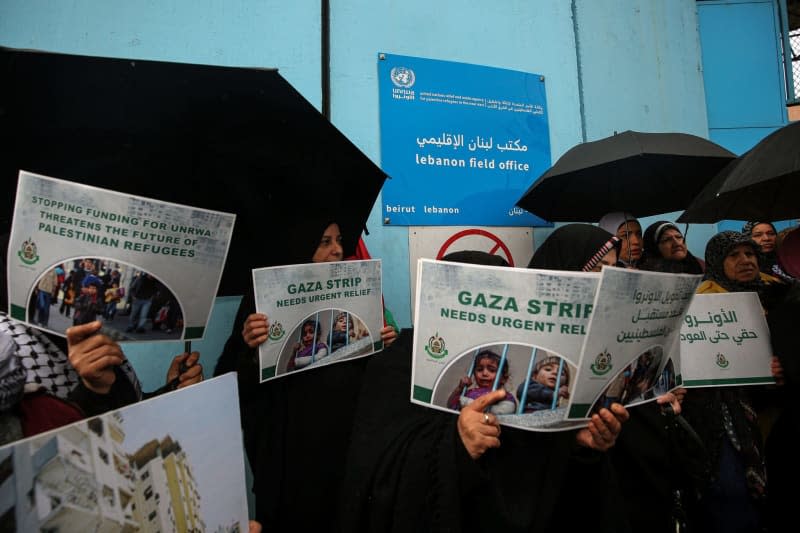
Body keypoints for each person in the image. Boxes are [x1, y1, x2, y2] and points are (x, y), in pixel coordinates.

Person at [340, 240, 630, 533]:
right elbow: (379, 466)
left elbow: (552, 480)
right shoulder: (401, 360)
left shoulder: (536, 364)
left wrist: (578, 445)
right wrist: (456, 443)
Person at [213, 218, 398, 531]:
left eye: (339, 240)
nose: (337, 250)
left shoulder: (357, 294)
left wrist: (384, 347)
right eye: (325, 242)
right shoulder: (262, 299)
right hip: (291, 467)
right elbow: (231, 384)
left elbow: (371, 383)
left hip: (347, 458)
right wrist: (248, 347)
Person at [681, 231, 787, 533]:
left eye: (750, 254)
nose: (745, 261)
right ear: (717, 261)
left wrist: (787, 367)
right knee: (733, 492)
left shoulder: (781, 293)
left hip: (778, 412)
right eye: (734, 255)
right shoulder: (702, 302)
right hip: (724, 413)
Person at [447, 349, 517, 414]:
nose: (484, 373)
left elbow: (503, 412)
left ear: (504, 378)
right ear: (474, 374)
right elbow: (450, 405)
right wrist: (459, 388)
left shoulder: (504, 396)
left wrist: (467, 403)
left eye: (492, 370)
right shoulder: (469, 392)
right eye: (480, 369)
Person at [639, 220, 704, 274]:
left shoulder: (700, 265)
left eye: (679, 237)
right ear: (654, 249)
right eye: (667, 239)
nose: (677, 243)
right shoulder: (644, 275)